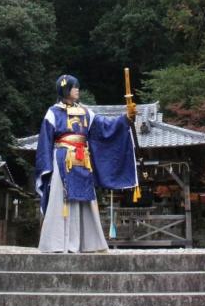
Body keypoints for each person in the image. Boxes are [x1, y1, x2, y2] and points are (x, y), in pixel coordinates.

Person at [35, 74, 139, 252]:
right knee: (61, 199)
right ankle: (58, 243)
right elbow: (45, 143)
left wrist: (125, 119)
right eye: (74, 87)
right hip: (63, 158)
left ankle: (87, 243)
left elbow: (105, 126)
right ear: (65, 89)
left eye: (77, 87)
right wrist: (46, 167)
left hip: (83, 159)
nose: (77, 90)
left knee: (86, 200)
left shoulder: (85, 112)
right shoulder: (52, 112)